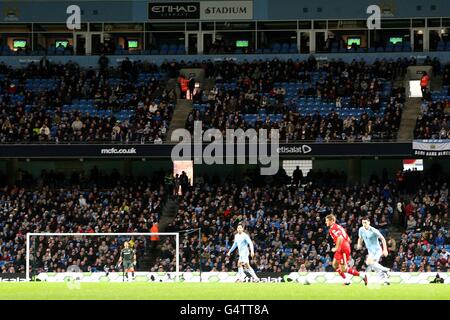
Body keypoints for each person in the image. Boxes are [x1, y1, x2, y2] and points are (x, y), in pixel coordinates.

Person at [325, 214, 367, 285]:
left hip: (343, 248)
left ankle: (362, 276)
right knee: (335, 265)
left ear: (332, 221)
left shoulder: (333, 228)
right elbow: (348, 239)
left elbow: (340, 237)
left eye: (327, 221)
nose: (326, 222)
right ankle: (346, 280)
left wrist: (336, 247)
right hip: (343, 246)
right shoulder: (339, 227)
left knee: (344, 268)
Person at [357, 216, 390, 285]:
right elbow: (360, 238)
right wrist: (359, 244)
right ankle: (384, 278)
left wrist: (385, 250)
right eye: (363, 223)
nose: (364, 224)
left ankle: (385, 270)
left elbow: (383, 239)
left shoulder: (374, 230)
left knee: (370, 262)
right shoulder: (361, 229)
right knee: (372, 265)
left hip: (377, 250)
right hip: (370, 251)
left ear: (369, 222)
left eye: (365, 222)